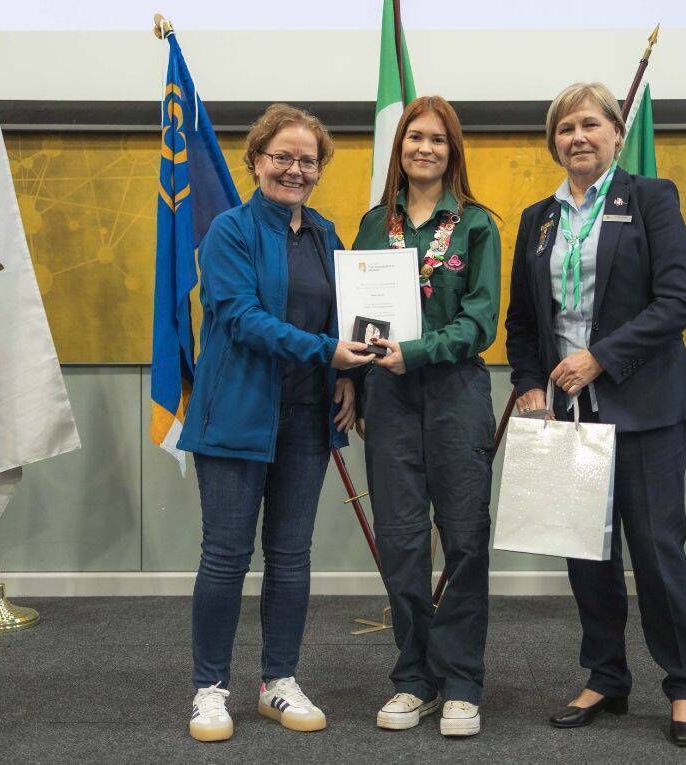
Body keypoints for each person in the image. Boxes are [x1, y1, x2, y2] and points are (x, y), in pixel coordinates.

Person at [504, 82, 686, 748]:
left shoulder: (651, 199)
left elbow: (680, 299)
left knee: (655, 552)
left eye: (590, 124)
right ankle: (605, 675)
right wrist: (532, 383)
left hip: (643, 406)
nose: (577, 137)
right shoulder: (538, 218)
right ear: (553, 143)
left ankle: (684, 684)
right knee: (587, 558)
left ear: (617, 133)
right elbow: (523, 322)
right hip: (568, 415)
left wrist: (599, 357)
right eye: (564, 128)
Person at [177, 103, 374, 742]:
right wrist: (328, 354)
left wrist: (347, 375)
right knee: (226, 556)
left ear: (319, 169)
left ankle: (277, 683)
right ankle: (210, 689)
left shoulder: (325, 234)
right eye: (281, 157)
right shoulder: (228, 231)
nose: (294, 168)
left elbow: (343, 321)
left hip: (304, 419)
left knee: (291, 557)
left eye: (306, 160)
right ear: (256, 161)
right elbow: (239, 317)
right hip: (234, 416)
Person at [352, 96, 501, 738]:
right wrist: (353, 383)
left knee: (464, 539)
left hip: (455, 396)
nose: (426, 149)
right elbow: (350, 315)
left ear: (453, 151)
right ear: (400, 147)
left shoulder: (476, 226)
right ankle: (414, 677)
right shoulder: (370, 224)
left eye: (438, 140)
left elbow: (480, 322)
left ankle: (463, 682)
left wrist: (412, 352)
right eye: (416, 137)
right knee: (403, 541)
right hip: (386, 400)